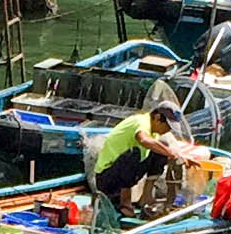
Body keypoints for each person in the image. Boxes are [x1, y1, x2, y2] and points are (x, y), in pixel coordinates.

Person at [88, 88, 216, 220]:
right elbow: (143, 139)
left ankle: (146, 196)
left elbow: (159, 149)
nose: (167, 131)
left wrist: (182, 156)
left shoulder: (154, 131)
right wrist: (172, 153)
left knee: (160, 152)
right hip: (107, 178)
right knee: (134, 154)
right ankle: (125, 203)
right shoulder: (141, 122)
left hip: (123, 176)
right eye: (167, 126)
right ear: (157, 117)